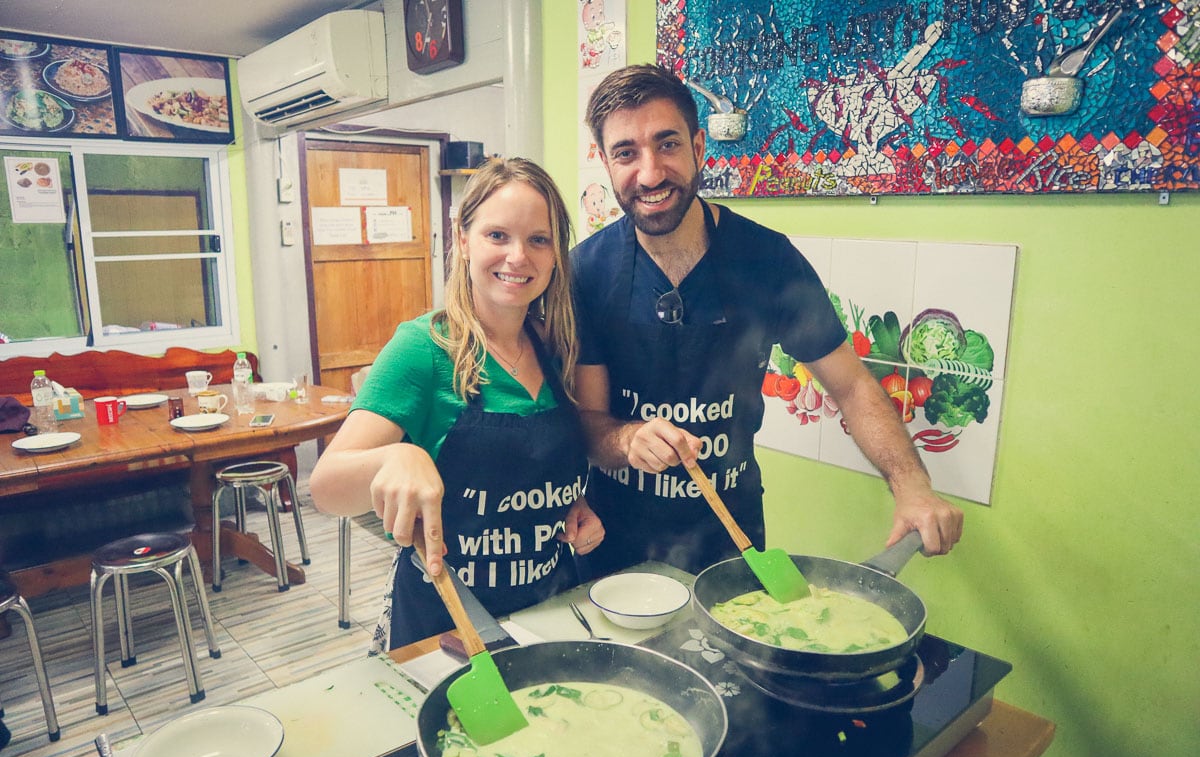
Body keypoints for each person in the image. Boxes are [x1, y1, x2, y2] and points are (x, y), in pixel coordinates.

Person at [571, 64, 962, 577]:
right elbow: (589, 424)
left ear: (699, 148)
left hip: (730, 547)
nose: (649, 173)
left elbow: (850, 386)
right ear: (604, 161)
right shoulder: (585, 272)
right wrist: (628, 440)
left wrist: (912, 484)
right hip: (613, 550)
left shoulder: (768, 260)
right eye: (626, 153)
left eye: (667, 144)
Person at [310, 158, 604, 651]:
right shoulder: (423, 348)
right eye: (497, 235)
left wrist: (571, 507)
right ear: (463, 240)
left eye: (539, 239)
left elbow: (529, 474)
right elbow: (326, 489)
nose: (518, 257)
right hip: (443, 623)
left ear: (557, 255)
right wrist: (398, 455)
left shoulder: (555, 347)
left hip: (544, 612)